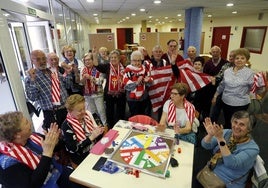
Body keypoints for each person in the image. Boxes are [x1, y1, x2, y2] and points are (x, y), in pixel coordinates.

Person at [0, 111, 84, 188]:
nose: (30, 123)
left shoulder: (32, 136)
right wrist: (47, 154)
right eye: (26, 123)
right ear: (17, 135)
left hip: (58, 172)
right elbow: (32, 185)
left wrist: (56, 141)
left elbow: (57, 146)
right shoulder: (8, 162)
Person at [201, 111, 259, 187]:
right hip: (210, 172)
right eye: (235, 122)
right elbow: (205, 145)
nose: (236, 127)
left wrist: (220, 139)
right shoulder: (228, 133)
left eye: (242, 124)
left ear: (249, 129)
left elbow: (231, 163)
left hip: (226, 183)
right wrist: (210, 135)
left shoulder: (252, 149)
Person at [25, 50, 71, 130]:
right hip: (52, 114)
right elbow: (32, 97)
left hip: (66, 109)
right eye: (38, 59)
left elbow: (67, 85)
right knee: (58, 138)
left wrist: (67, 73)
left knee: (70, 133)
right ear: (32, 61)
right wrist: (33, 80)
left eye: (43, 58)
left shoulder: (53, 71)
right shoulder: (31, 78)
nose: (42, 61)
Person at [212, 48, 254, 129]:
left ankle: (234, 139)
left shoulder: (250, 73)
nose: (239, 60)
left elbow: (253, 89)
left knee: (237, 125)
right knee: (228, 121)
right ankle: (227, 137)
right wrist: (215, 95)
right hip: (226, 101)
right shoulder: (227, 71)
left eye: (242, 58)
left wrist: (260, 87)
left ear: (246, 60)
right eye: (237, 58)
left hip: (240, 104)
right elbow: (222, 85)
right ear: (234, 59)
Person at [61, 94, 104, 168]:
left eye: (84, 108)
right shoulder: (66, 126)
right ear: (70, 111)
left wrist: (100, 131)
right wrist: (91, 138)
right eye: (79, 110)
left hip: (96, 149)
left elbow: (99, 136)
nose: (83, 112)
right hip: (82, 158)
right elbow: (74, 149)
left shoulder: (88, 114)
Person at [93, 49, 126, 129]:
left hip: (121, 93)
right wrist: (94, 55)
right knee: (109, 112)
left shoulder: (124, 68)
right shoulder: (107, 66)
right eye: (112, 58)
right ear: (109, 58)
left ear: (119, 59)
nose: (113, 59)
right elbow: (97, 66)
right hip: (109, 94)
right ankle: (110, 128)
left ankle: (120, 128)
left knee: (120, 112)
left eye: (115, 57)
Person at [200, 46, 228, 120]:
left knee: (217, 107)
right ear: (211, 53)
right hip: (209, 88)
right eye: (213, 52)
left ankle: (214, 121)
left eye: (217, 52)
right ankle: (205, 121)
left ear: (220, 53)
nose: (215, 53)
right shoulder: (207, 63)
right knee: (207, 105)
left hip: (221, 88)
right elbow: (204, 75)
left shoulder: (225, 63)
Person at [123, 50, 153, 117]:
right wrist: (137, 83)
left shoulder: (145, 69)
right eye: (134, 60)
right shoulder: (128, 70)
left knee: (142, 115)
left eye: (139, 60)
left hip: (143, 97)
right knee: (134, 116)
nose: (137, 63)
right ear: (131, 61)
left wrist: (148, 81)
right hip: (132, 98)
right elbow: (126, 86)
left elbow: (150, 83)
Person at [80, 53, 107, 126]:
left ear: (92, 60)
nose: (87, 62)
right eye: (85, 60)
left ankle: (105, 126)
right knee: (92, 112)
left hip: (97, 94)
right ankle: (96, 126)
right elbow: (81, 83)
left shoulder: (98, 68)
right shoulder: (83, 69)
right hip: (87, 94)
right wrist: (83, 79)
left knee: (101, 111)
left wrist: (91, 78)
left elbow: (100, 81)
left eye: (89, 60)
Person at [210, 50, 235, 123]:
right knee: (215, 111)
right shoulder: (226, 65)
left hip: (231, 94)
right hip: (221, 90)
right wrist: (214, 78)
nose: (230, 58)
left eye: (233, 56)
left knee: (228, 114)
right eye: (230, 56)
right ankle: (212, 126)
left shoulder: (240, 69)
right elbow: (219, 75)